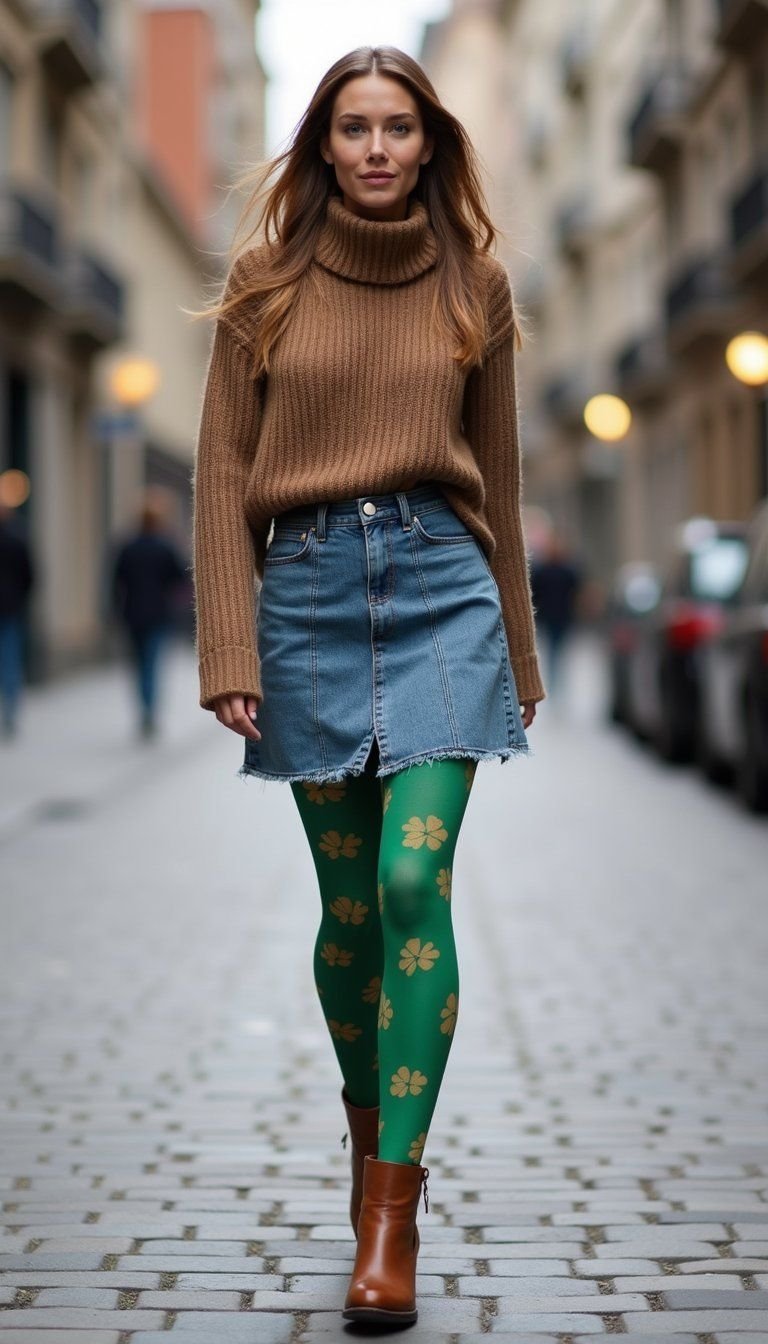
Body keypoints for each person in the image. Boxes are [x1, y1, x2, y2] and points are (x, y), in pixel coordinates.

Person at [192, 46, 546, 1328]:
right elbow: (222, 470)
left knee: (412, 881)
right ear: (324, 145)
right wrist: (229, 649)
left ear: (431, 144)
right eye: (357, 128)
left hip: (445, 586)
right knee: (351, 912)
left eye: (401, 127)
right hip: (306, 603)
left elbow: (496, 477)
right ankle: (367, 1167)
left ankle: (392, 1217)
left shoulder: (479, 285)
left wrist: (518, 650)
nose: (381, 148)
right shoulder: (263, 287)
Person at [111, 489, 189, 738]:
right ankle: (150, 710)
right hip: (158, 614)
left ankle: (144, 708)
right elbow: (181, 577)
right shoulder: (165, 547)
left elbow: (116, 580)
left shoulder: (127, 546)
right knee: (152, 664)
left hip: (133, 614)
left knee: (138, 664)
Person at [530, 530, 583, 701]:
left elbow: (577, 592)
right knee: (553, 651)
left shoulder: (569, 570)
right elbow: (534, 592)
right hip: (548, 616)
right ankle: (554, 685)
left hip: (564, 616)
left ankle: (560, 686)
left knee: (561, 651)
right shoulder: (542, 569)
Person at [0, 499, 35, 739]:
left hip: (11, 606)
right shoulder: (18, 536)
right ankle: (10, 709)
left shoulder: (18, 536)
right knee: (10, 660)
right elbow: (30, 573)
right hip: (12, 606)